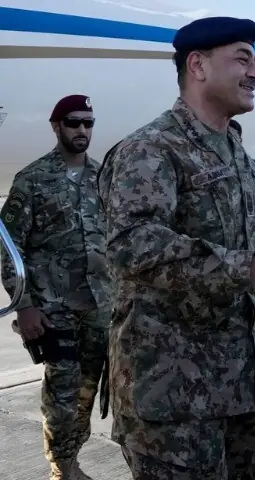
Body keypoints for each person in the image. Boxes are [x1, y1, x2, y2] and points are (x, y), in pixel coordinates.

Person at [97, 17, 255, 479]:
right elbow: (130, 245)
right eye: (242, 58)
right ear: (197, 65)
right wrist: (249, 270)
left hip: (245, 389)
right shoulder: (150, 149)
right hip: (173, 400)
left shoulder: (248, 165)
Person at [1, 94, 110, 480]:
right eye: (73, 122)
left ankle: (72, 460)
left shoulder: (103, 177)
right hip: (52, 308)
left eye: (88, 123)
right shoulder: (33, 180)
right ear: (56, 126)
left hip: (100, 306)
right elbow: (9, 246)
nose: (82, 130)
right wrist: (24, 305)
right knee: (62, 392)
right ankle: (61, 468)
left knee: (86, 393)